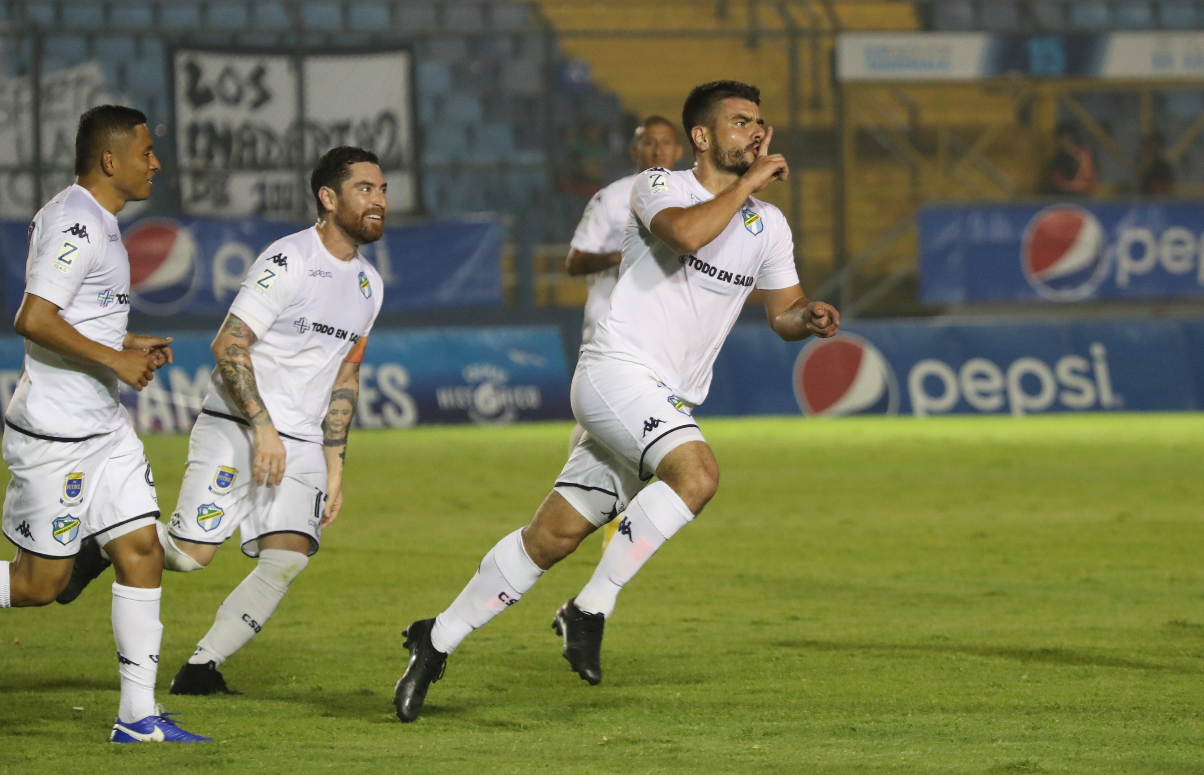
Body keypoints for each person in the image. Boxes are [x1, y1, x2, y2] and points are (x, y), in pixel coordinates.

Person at [392, 80, 840, 723]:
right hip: (615, 371)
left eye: (760, 122)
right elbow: (685, 235)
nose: (756, 132)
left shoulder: (767, 225)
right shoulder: (661, 186)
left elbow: (783, 313)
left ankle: (434, 640)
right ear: (703, 137)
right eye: (741, 121)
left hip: (661, 395)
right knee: (698, 473)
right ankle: (589, 608)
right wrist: (748, 185)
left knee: (551, 537)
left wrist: (810, 317)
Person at [58, 146, 386, 697]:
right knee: (189, 556)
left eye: (382, 191)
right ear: (329, 199)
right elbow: (228, 344)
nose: (378, 201)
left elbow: (345, 378)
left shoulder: (369, 286)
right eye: (365, 189)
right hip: (238, 426)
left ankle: (200, 669)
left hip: (302, 442)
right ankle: (99, 546)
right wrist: (262, 429)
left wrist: (334, 465)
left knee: (287, 559)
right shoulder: (288, 261)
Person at [0, 105, 210, 743]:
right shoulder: (76, 222)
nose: (156, 163)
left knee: (142, 551)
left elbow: (76, 317)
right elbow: (33, 318)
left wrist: (126, 340)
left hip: (104, 431)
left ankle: (137, 717)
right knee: (41, 585)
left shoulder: (103, 222)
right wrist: (116, 357)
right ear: (109, 160)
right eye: (145, 152)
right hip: (58, 437)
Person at [564, 116, 683, 549]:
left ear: (679, 151)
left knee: (630, 432)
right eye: (648, 143)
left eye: (665, 143)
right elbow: (576, 261)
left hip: (662, 336)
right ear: (634, 151)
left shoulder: (690, 200)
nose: (657, 151)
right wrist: (631, 252)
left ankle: (585, 509)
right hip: (609, 329)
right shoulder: (613, 198)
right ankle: (597, 516)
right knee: (613, 429)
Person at [1043, 122, 1097, 196]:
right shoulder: (1060, 158)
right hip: (1073, 197)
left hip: (1074, 197)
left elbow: (1058, 183)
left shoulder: (1061, 158)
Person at [1138, 132, 1173, 196]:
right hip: (1146, 198)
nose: (1151, 149)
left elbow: (1166, 185)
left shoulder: (1163, 166)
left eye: (1154, 146)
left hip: (1158, 198)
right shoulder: (1144, 163)